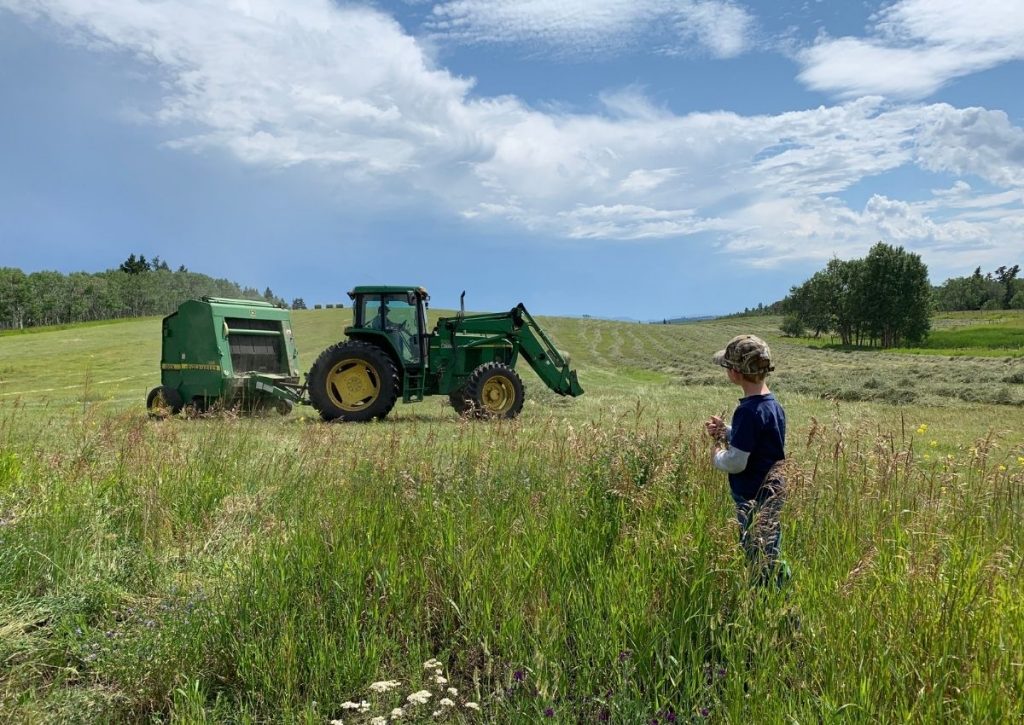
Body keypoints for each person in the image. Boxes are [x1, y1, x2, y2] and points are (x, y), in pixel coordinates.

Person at [704, 334, 790, 586]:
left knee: (755, 549)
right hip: (773, 489)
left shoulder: (747, 411)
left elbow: (736, 462)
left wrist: (716, 456)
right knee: (771, 544)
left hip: (752, 493)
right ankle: (779, 588)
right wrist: (728, 431)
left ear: (735, 373)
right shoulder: (771, 405)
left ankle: (767, 595)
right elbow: (760, 441)